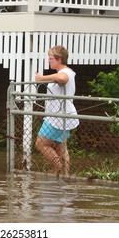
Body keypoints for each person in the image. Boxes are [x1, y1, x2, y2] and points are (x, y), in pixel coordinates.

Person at [34, 45, 79, 175]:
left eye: (51, 58)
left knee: (41, 144)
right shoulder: (63, 72)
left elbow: (63, 79)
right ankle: (65, 173)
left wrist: (42, 78)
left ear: (59, 59)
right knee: (61, 146)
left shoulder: (65, 73)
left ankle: (58, 168)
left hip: (58, 116)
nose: (49, 60)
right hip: (60, 115)